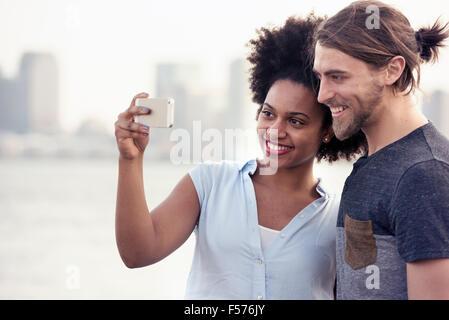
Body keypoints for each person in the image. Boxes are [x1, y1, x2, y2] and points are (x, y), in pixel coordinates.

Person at [114, 14, 365, 300]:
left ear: (327, 131)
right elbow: (137, 253)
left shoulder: (337, 218)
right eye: (268, 114)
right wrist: (130, 160)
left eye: (296, 121)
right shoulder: (209, 184)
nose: (275, 130)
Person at [312, 0, 449, 300]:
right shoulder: (373, 164)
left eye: (337, 76)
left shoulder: (424, 174)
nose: (322, 94)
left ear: (392, 70)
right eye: (321, 77)